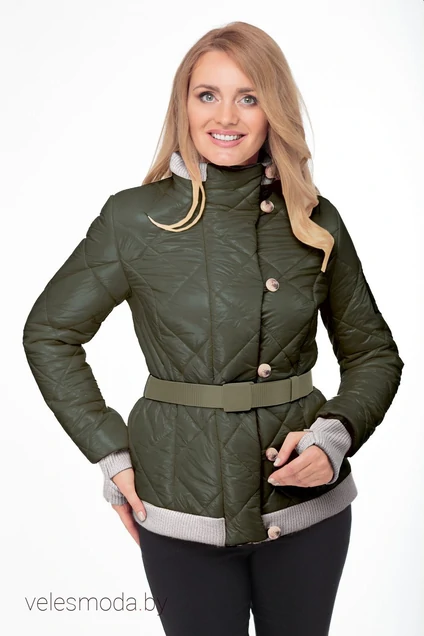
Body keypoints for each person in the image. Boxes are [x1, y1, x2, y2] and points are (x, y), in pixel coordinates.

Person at [22, 20, 404, 636]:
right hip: (178, 509)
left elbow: (374, 354)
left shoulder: (313, 219)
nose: (226, 116)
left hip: (307, 509)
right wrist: (111, 453)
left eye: (248, 97)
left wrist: (334, 437)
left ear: (273, 109)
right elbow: (49, 333)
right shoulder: (133, 218)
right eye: (208, 94)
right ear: (184, 104)